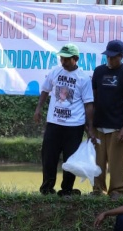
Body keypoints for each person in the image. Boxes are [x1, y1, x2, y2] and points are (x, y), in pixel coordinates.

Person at [33, 43, 94, 196]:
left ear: (76, 59)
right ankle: (47, 188)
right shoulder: (55, 71)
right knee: (49, 156)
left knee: (70, 160)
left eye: (67, 59)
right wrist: (39, 108)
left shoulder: (83, 78)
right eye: (61, 58)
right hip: (54, 123)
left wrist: (90, 127)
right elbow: (45, 90)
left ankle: (66, 190)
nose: (63, 61)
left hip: (74, 126)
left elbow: (88, 104)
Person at [91, 40, 123, 200]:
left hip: (117, 126)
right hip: (99, 125)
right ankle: (97, 189)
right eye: (107, 56)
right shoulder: (98, 72)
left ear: (121, 56)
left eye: (113, 57)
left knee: (118, 163)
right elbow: (94, 98)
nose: (109, 60)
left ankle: (117, 190)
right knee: (98, 161)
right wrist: (90, 125)